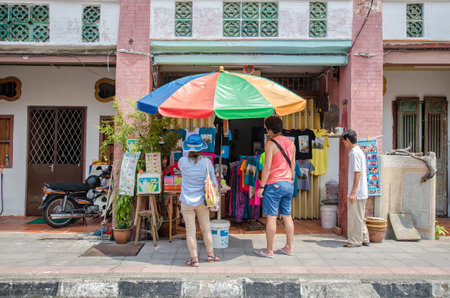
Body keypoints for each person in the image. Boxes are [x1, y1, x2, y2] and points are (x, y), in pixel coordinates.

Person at [255, 116, 296, 257]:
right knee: (287, 216)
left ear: (269, 129)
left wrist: (261, 186)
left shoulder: (270, 144)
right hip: (288, 184)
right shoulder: (290, 142)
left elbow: (267, 167)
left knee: (271, 218)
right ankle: (289, 248)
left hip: (274, 185)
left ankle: (269, 250)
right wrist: (291, 179)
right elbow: (293, 164)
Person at [178, 134, 221, 267]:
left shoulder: (182, 161)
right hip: (203, 200)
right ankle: (210, 255)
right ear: (201, 148)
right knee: (206, 229)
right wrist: (217, 200)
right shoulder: (207, 162)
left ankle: (194, 259)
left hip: (186, 201)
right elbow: (213, 182)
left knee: (190, 230)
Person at [342, 129, 370, 248]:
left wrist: (353, 192)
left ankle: (355, 240)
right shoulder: (359, 152)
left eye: (344, 141)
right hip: (361, 190)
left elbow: (357, 173)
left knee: (355, 217)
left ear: (348, 140)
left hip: (357, 192)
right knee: (360, 215)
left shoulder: (354, 153)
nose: (344, 144)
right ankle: (364, 237)